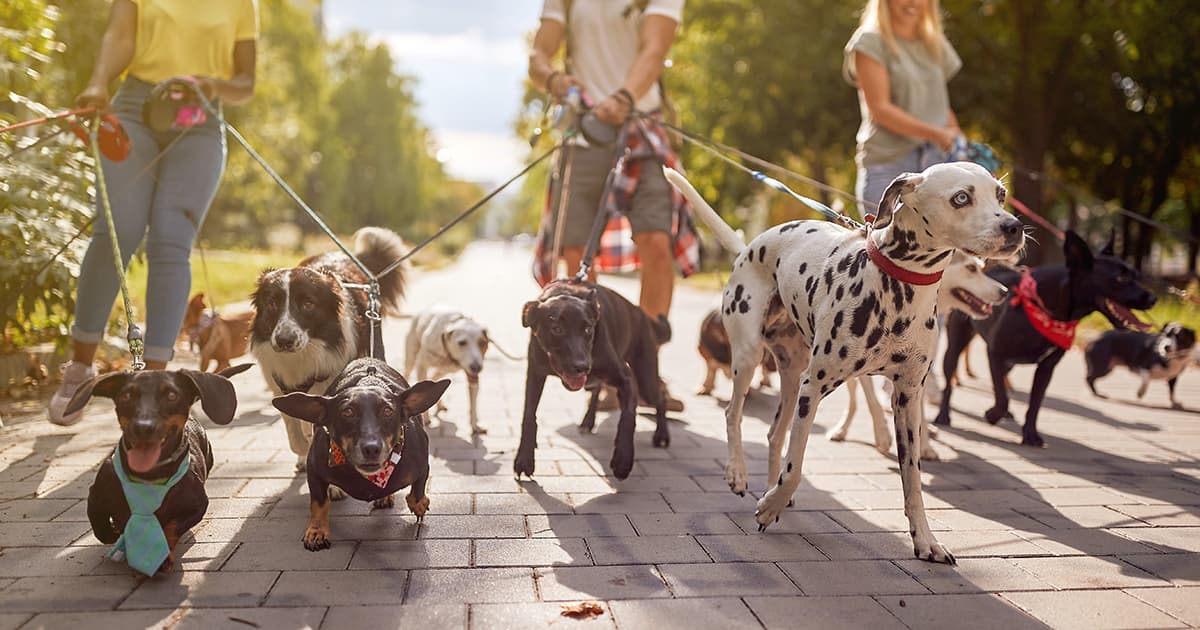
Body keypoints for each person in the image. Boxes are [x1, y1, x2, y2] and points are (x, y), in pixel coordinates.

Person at [48, 0, 257, 425]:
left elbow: (245, 83)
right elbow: (120, 36)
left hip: (198, 116)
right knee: (118, 230)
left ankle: (154, 387)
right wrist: (98, 82)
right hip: (134, 108)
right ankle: (80, 368)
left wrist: (213, 85)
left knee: (170, 241)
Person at [528, 0, 697, 412]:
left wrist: (624, 96)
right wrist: (555, 80)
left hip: (643, 124)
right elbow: (538, 57)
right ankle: (600, 371)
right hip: (585, 134)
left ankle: (645, 370)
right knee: (575, 254)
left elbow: (654, 51)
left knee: (657, 241)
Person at [844, 0, 961, 218]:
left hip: (937, 163)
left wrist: (965, 151)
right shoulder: (869, 42)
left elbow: (939, 105)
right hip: (888, 166)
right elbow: (880, 109)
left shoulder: (934, 42)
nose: (913, 2)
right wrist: (936, 134)